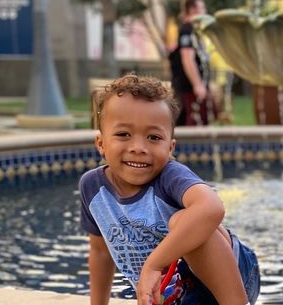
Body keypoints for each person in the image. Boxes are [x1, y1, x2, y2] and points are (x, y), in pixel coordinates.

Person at [79, 74, 259, 305]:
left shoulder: (170, 176)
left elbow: (212, 207)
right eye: (123, 134)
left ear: (170, 147)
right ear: (101, 143)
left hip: (232, 277)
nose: (138, 148)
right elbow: (101, 253)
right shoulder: (92, 188)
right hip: (175, 292)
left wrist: (153, 264)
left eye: (154, 137)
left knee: (186, 220)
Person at [169, 0, 216, 126]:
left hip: (191, 89)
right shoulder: (187, 30)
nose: (205, 12)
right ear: (193, 10)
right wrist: (198, 85)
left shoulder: (194, 31)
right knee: (190, 124)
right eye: (202, 8)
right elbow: (187, 59)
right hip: (187, 89)